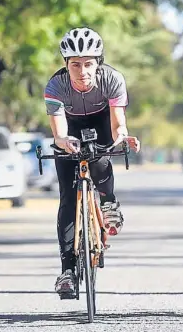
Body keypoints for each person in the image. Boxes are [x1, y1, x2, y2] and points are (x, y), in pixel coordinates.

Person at [44, 27, 141, 299]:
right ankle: (68, 272)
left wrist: (122, 137)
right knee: (66, 198)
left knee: (100, 155)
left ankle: (108, 200)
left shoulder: (112, 79)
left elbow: (118, 122)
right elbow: (59, 131)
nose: (82, 71)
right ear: (66, 65)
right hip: (69, 128)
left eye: (88, 64)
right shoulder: (55, 85)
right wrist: (64, 142)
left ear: (98, 63)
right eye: (75, 64)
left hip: (101, 123)